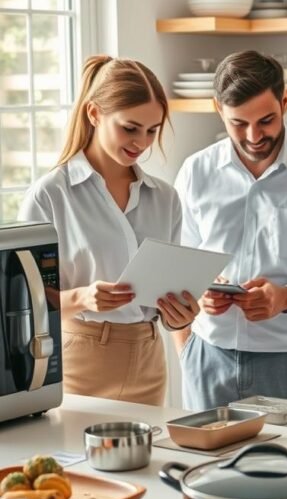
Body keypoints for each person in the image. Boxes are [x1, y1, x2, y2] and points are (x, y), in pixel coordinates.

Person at [19, 55, 199, 404]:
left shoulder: (165, 198)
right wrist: (83, 298)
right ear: (94, 114)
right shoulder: (51, 195)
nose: (142, 143)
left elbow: (167, 297)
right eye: (130, 128)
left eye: (152, 130)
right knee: (71, 459)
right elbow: (25, 302)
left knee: (148, 458)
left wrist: (179, 316)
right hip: (78, 358)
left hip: (148, 359)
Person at [173, 50, 287, 414]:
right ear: (219, 108)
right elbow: (179, 265)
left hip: (285, 363)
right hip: (206, 357)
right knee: (207, 469)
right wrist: (197, 299)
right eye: (239, 123)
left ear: (284, 102)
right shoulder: (195, 172)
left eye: (266, 120)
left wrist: (285, 297)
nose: (253, 136)